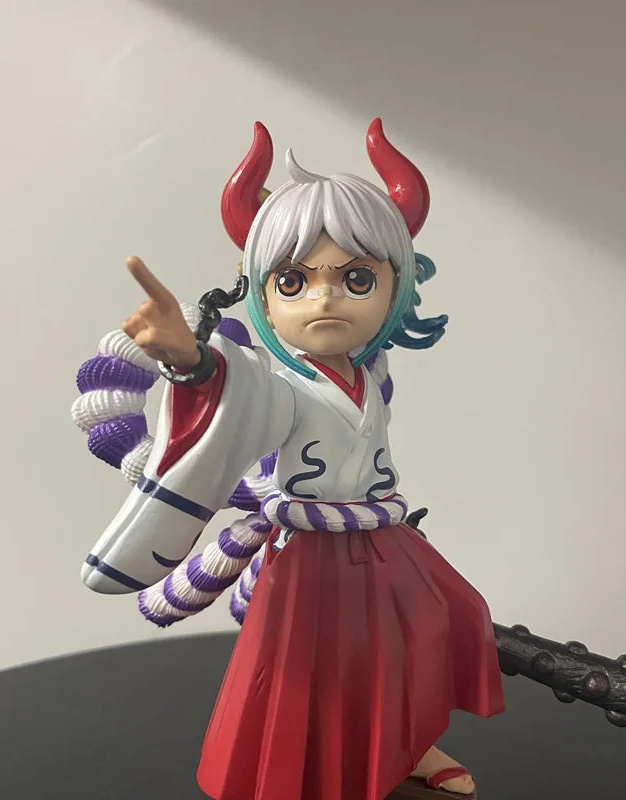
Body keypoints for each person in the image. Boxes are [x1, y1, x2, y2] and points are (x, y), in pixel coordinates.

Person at [74, 120, 504, 799]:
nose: (325, 297)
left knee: (434, 626)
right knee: (309, 667)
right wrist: (186, 358)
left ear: (395, 290)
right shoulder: (280, 382)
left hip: (383, 538)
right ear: (264, 299)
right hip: (310, 555)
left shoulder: (372, 374)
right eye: (295, 281)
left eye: (356, 278)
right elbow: (233, 386)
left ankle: (409, 741)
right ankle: (298, 768)